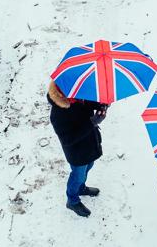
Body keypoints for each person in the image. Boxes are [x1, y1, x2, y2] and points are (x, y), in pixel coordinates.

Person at [47, 82, 108, 217]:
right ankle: (72, 200)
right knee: (78, 174)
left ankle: (81, 188)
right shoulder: (58, 114)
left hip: (89, 143)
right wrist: (92, 122)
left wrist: (101, 105)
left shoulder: (76, 95)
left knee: (89, 166)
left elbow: (87, 104)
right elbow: (68, 140)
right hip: (77, 152)